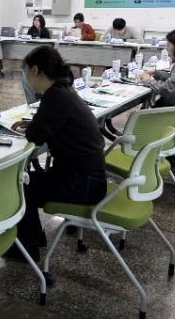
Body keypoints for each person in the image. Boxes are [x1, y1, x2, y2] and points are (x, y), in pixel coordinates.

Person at [6, 45, 106, 262]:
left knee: (19, 187)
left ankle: (27, 247)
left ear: (35, 70)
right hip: (90, 178)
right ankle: (34, 238)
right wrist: (34, 122)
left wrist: (34, 125)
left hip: (81, 185)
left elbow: (34, 137)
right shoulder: (64, 89)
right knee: (27, 183)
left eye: (26, 73)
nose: (27, 80)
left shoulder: (54, 96)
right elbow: (54, 123)